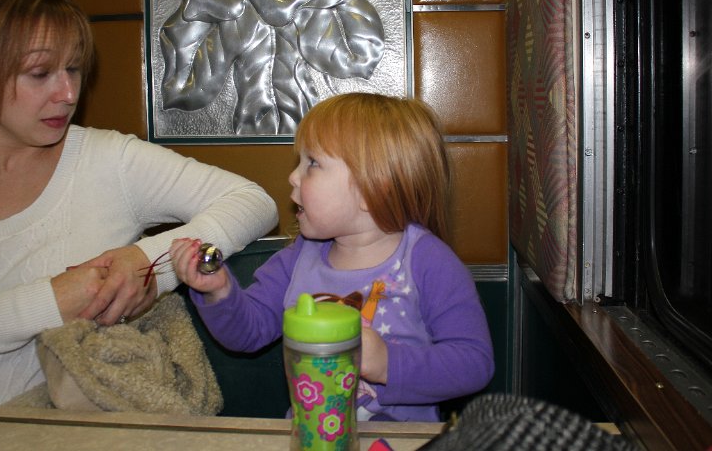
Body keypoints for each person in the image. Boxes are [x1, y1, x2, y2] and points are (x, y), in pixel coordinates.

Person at [0, 0, 278, 405]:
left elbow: (253, 202)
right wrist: (50, 301)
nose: (68, 93)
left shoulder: (109, 159)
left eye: (73, 69)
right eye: (40, 73)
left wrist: (149, 263)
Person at [171, 92, 495, 422]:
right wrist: (219, 291)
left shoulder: (428, 262)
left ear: (372, 190)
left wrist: (386, 363)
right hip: (314, 437)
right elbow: (247, 333)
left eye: (312, 163)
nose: (293, 176)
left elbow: (474, 364)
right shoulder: (298, 259)